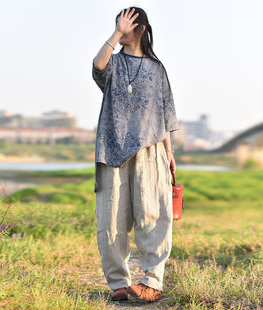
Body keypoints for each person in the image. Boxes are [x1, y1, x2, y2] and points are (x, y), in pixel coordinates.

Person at [91, 6, 178, 302]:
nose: (121, 29)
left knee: (154, 214)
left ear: (140, 28)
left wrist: (169, 151)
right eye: (118, 24)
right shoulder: (113, 63)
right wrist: (116, 33)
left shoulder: (157, 69)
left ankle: (152, 282)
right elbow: (98, 66)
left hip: (150, 148)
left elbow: (164, 113)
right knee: (112, 218)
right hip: (112, 147)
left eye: (126, 24)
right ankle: (118, 282)